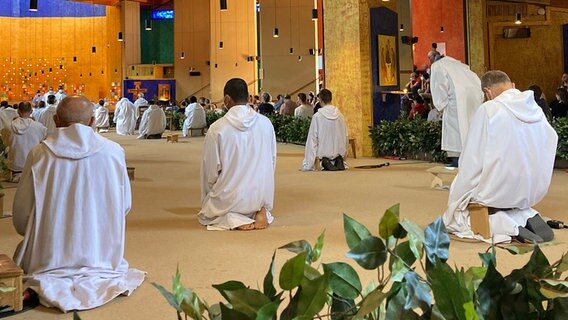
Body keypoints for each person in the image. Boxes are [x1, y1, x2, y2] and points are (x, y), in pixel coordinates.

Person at [12, 95, 145, 312]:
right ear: (93, 121)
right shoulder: (113, 152)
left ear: (55, 120)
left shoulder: (40, 154)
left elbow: (22, 212)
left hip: (49, 255)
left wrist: (33, 232)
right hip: (99, 252)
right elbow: (125, 205)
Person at [443, 70, 557, 244]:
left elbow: (473, 158)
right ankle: (526, 215)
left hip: (498, 190)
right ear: (511, 85)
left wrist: (460, 193)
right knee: (516, 203)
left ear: (488, 92)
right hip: (531, 189)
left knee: (457, 217)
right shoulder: (536, 109)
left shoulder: (489, 109)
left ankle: (505, 225)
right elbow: (551, 140)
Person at [199, 78, 276, 231]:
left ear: (227, 99)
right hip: (260, 195)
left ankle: (235, 218)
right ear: (248, 98)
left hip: (231, 197)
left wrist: (209, 194)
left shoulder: (217, 128)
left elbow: (210, 172)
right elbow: (272, 161)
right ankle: (259, 211)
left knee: (207, 215)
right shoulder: (266, 123)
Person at [429, 51, 484, 167]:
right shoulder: (462, 66)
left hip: (456, 101)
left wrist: (440, 105)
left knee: (456, 130)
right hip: (474, 98)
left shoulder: (438, 66)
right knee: (470, 127)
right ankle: (472, 159)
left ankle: (457, 160)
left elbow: (439, 87)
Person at [301, 89, 348, 171]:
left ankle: (325, 162)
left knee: (316, 141)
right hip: (339, 152)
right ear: (331, 99)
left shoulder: (317, 116)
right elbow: (345, 136)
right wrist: (344, 157)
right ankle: (338, 160)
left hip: (323, 154)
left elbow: (312, 140)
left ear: (320, 100)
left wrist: (308, 164)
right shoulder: (340, 115)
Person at [1, 102, 47, 182]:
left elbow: (6, 144)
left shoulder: (8, 127)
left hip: (15, 165)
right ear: (31, 111)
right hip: (32, 164)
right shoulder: (39, 127)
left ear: (18, 111)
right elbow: (43, 141)